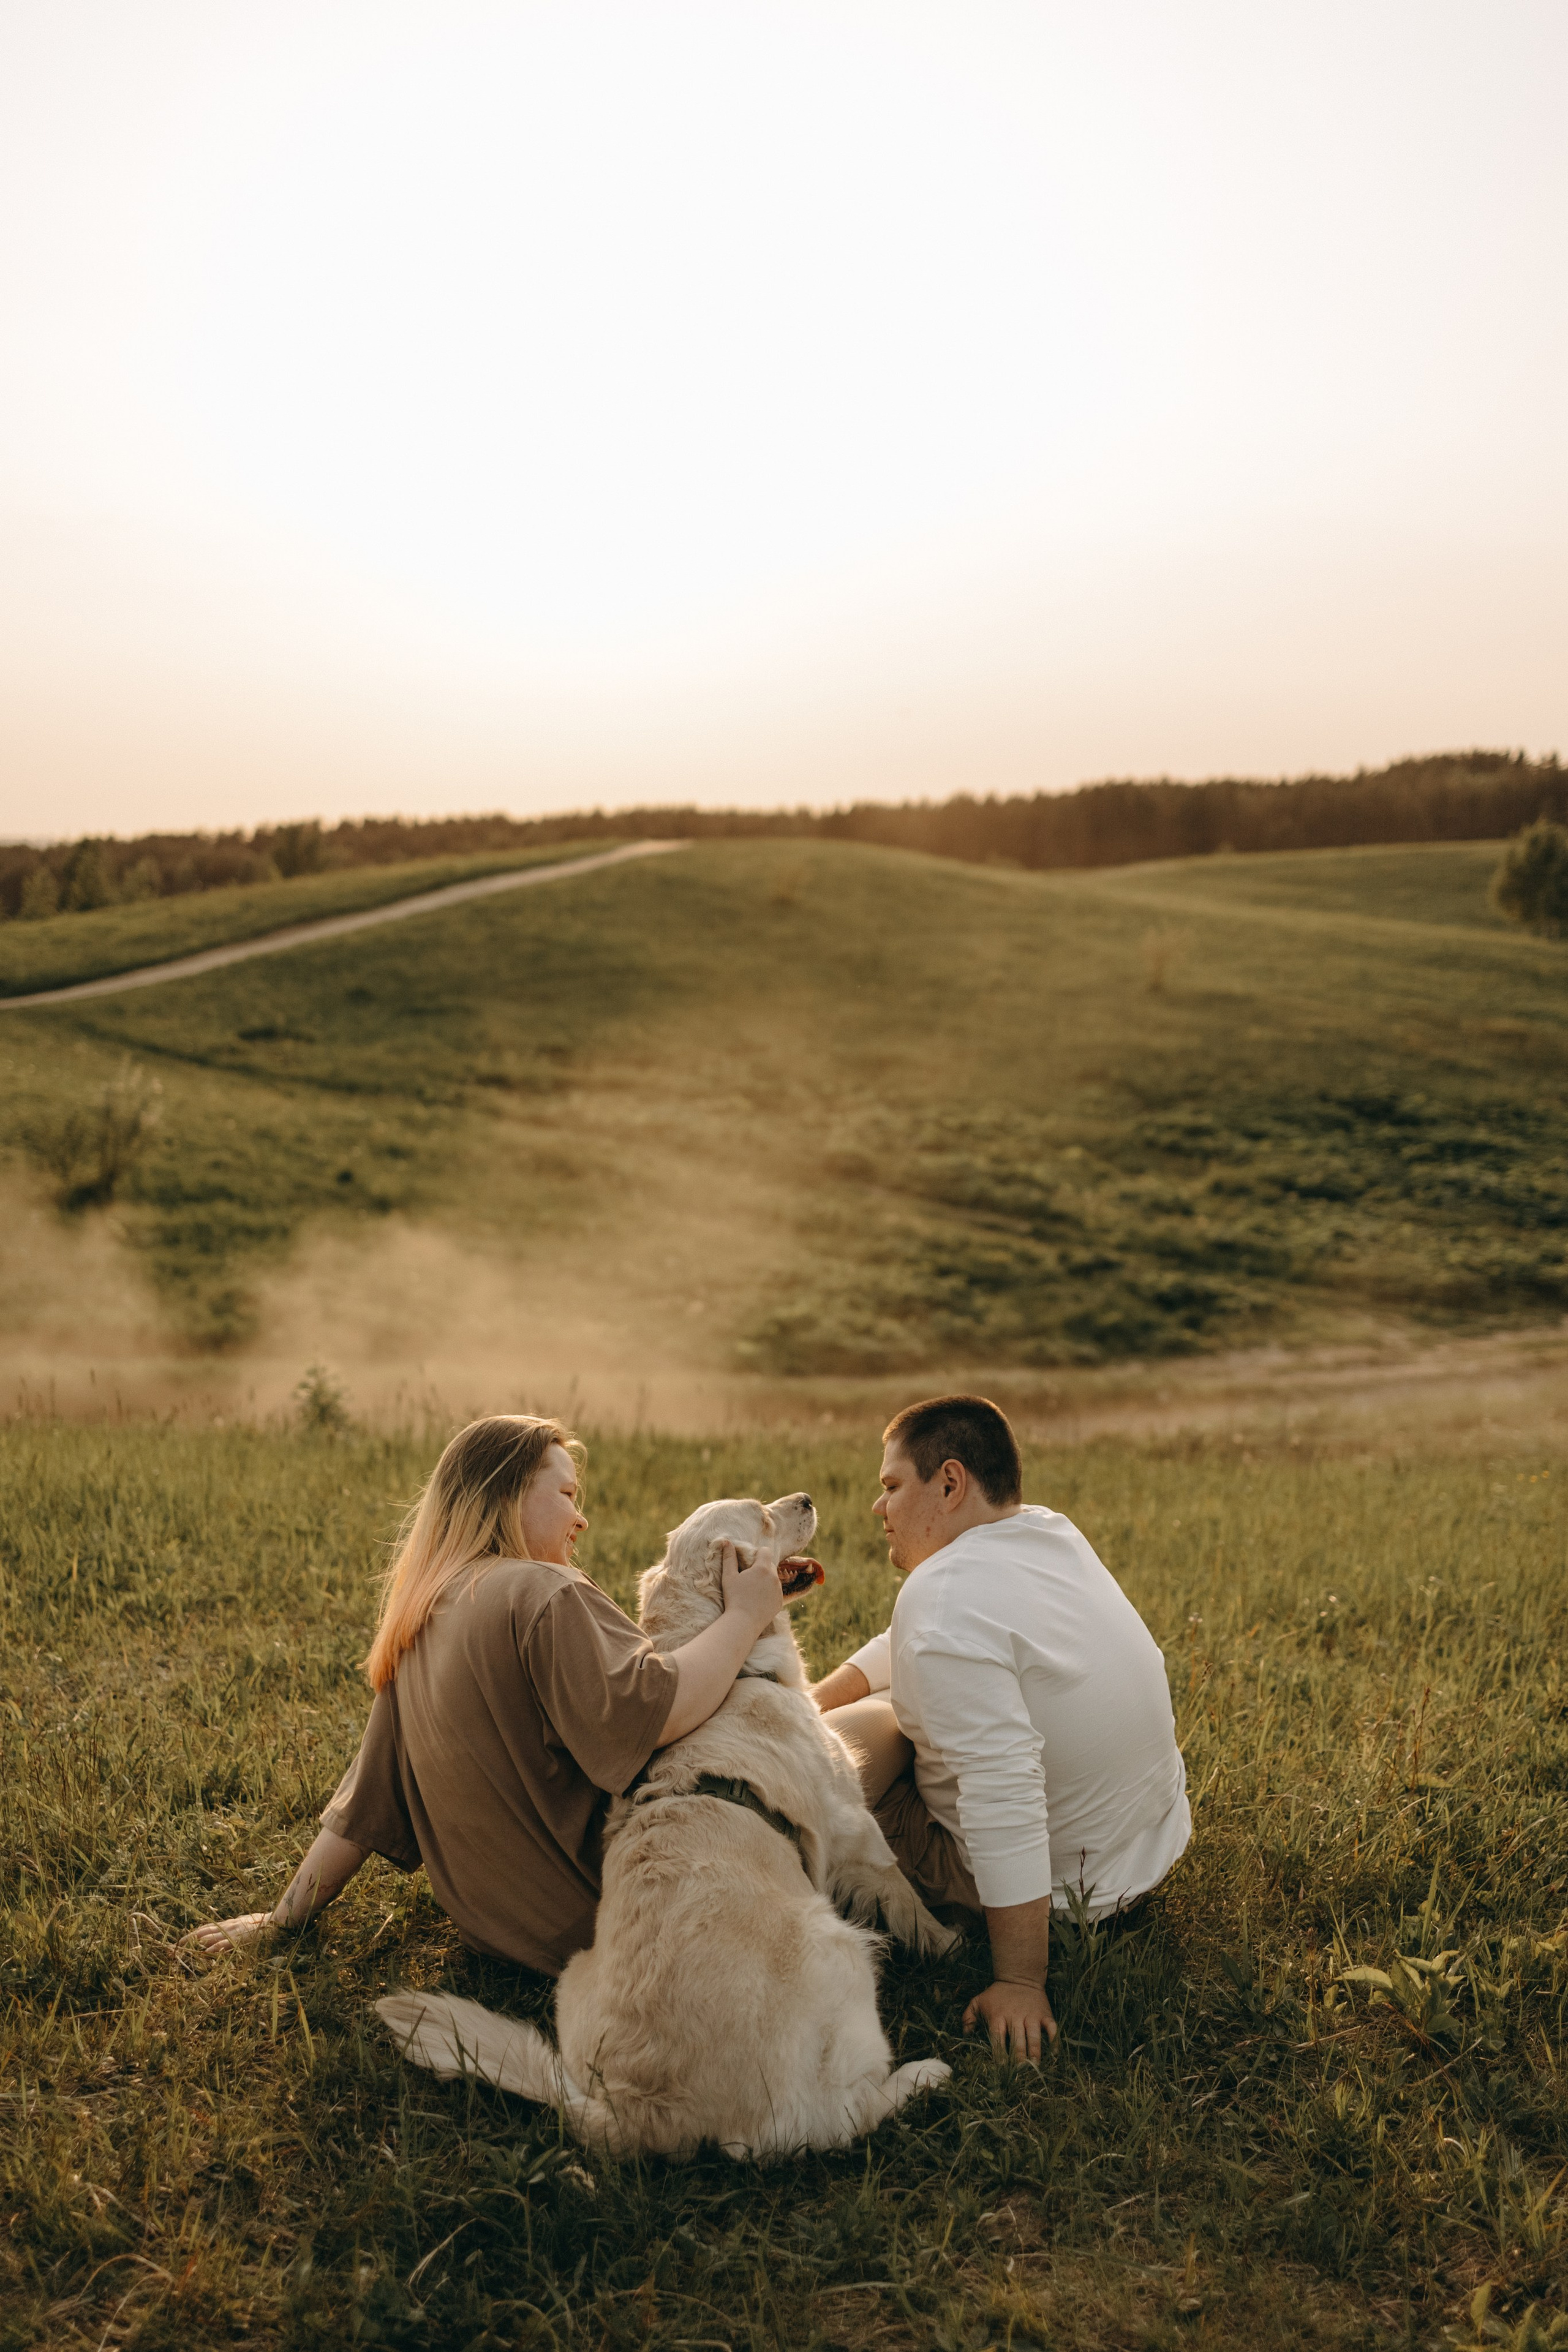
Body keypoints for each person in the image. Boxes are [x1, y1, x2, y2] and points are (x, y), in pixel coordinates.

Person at [188, 1414, 789, 1973]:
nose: (580, 1520)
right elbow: (657, 1713)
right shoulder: (546, 1592)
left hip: (512, 1942)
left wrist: (284, 1916)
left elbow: (360, 1810)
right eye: (567, 1495)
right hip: (632, 1916)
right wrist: (745, 1616)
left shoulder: (422, 1616)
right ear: (507, 1494)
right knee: (849, 1742)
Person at [813, 1394, 1190, 2064]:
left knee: (823, 1763)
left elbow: (1003, 1787)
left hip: (1066, 1898)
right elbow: (923, 1639)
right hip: (1139, 1855)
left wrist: (1020, 1980)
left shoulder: (943, 1600)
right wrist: (820, 1695)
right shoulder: (1046, 1535)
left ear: (950, 1483)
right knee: (865, 1712)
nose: (879, 1509)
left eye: (892, 1487)